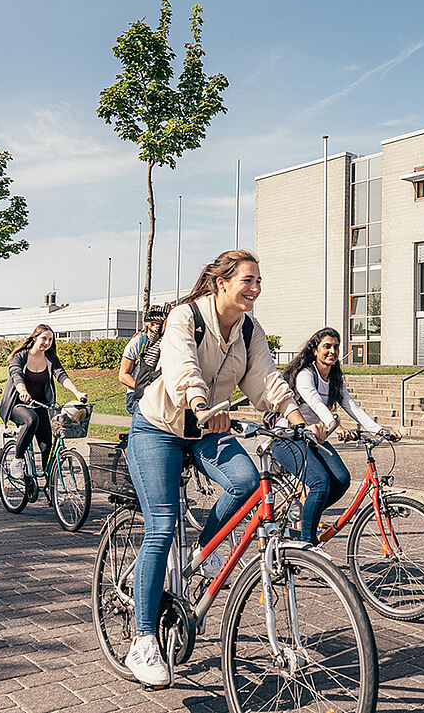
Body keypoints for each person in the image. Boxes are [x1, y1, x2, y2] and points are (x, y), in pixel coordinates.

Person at [123, 249, 320, 688]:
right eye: (247, 280)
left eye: (258, 281)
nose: (254, 288)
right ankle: (143, 640)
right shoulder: (184, 318)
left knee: (248, 482)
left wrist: (298, 418)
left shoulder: (249, 330)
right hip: (161, 426)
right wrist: (200, 403)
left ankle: (201, 555)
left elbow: (266, 380)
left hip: (208, 429)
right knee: (161, 525)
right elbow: (182, 369)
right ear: (221, 282)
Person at [280, 327, 401, 543]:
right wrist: (334, 424)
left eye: (336, 347)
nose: (332, 351)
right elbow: (315, 402)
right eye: (327, 346)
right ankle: (306, 544)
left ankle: (307, 514)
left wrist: (380, 430)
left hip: (314, 436)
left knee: (342, 480)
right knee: (320, 481)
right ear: (315, 349)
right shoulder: (305, 375)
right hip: (288, 436)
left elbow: (352, 406)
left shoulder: (334, 378)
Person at [0, 324, 87, 478]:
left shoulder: (50, 358)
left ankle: (51, 489)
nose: (47, 342)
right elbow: (16, 375)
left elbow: (62, 376)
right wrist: (23, 391)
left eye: (50, 339)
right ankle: (17, 461)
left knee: (47, 447)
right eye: (44, 338)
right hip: (17, 403)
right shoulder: (20, 356)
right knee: (32, 420)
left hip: (41, 404)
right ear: (34, 338)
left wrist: (77, 393)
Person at [117, 305, 167, 414]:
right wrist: (143, 389)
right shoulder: (138, 342)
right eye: (152, 318)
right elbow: (123, 375)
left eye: (160, 317)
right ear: (146, 321)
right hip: (137, 395)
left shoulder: (167, 341)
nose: (156, 321)